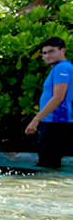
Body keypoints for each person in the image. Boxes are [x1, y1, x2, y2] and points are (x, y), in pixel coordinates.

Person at [24, 37, 72, 169]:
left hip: (55, 123)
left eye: (51, 51)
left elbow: (58, 97)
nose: (47, 56)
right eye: (44, 53)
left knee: (47, 166)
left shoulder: (62, 68)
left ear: (62, 50)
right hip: (54, 122)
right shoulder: (59, 68)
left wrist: (36, 119)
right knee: (49, 164)